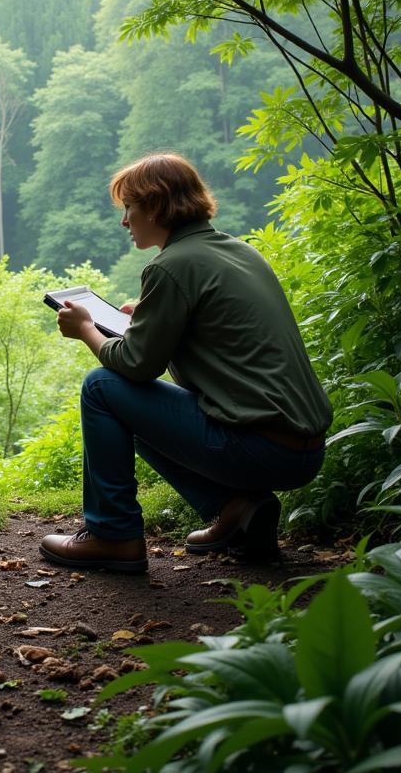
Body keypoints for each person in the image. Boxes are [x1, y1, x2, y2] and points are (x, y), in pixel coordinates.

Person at [40, 153, 331, 572]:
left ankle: (112, 534)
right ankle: (237, 510)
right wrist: (147, 312)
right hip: (304, 448)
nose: (125, 221)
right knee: (131, 406)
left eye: (130, 208)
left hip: (260, 448)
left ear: (156, 206)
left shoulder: (170, 266)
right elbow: (214, 319)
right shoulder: (238, 251)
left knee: (103, 388)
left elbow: (137, 366)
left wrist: (87, 328)